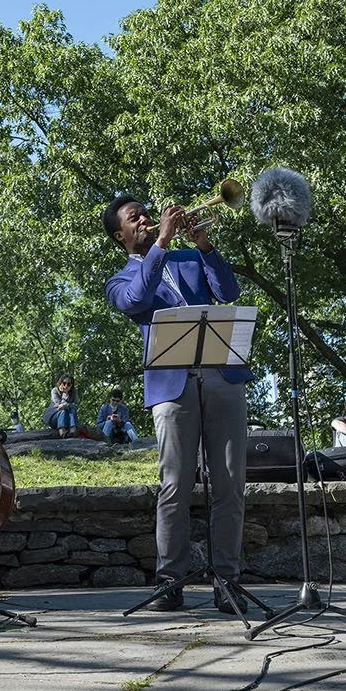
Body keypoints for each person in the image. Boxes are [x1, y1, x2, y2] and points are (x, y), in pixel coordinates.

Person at [104, 195, 248, 614]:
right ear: (120, 235)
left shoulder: (189, 258)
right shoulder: (119, 280)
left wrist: (204, 245)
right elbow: (136, 300)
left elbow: (229, 291)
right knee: (175, 486)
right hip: (171, 388)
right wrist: (163, 243)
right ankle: (170, 582)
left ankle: (228, 581)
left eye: (146, 214)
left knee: (230, 486)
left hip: (223, 375)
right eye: (135, 218)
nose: (145, 220)